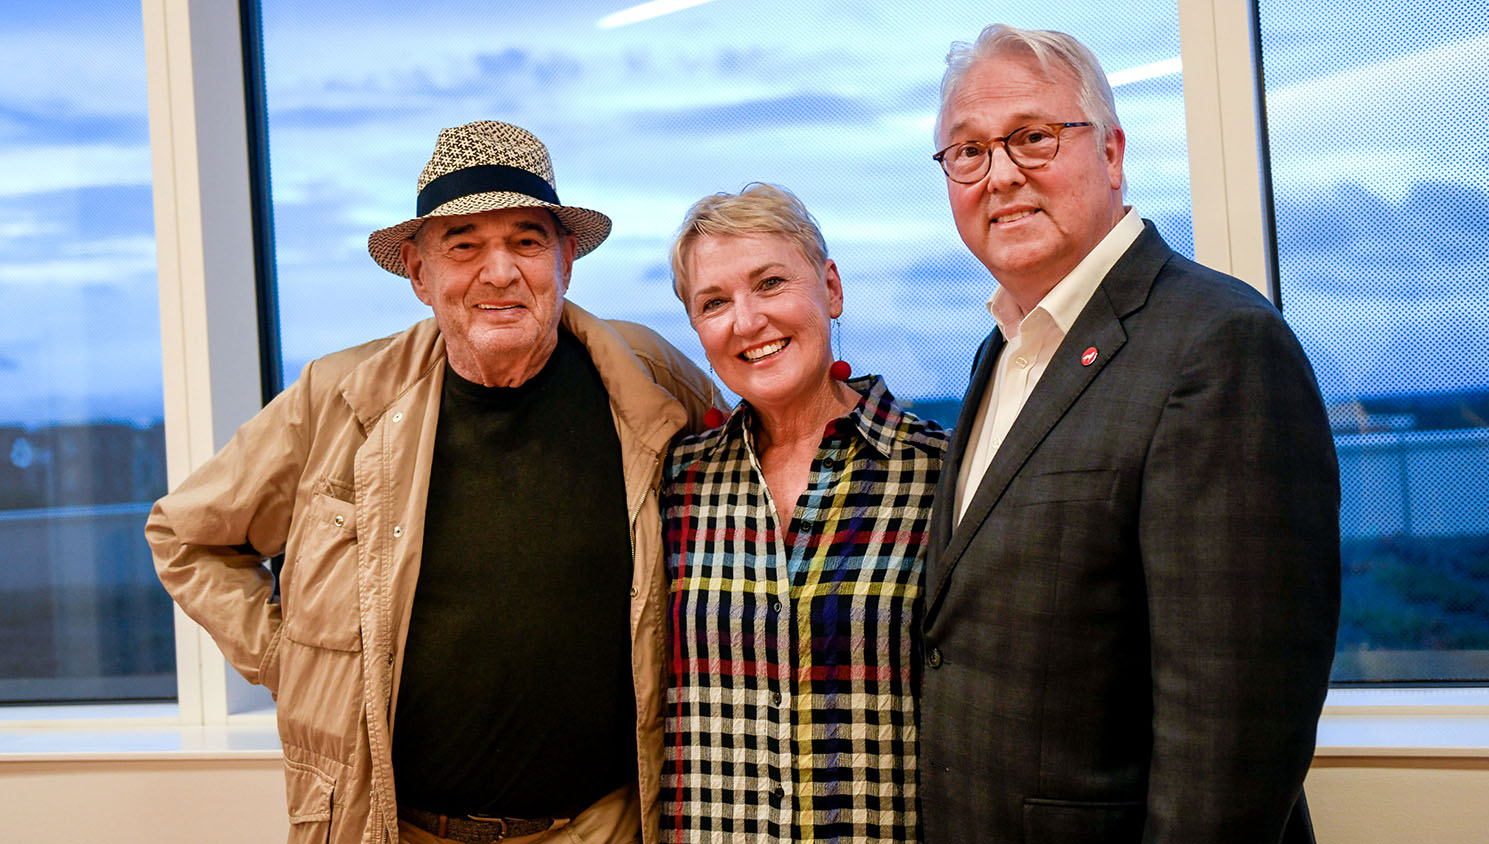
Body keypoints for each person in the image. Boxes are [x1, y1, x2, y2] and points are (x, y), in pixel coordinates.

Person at [146, 121, 720, 844]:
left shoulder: (646, 376)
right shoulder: (341, 397)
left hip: (602, 827)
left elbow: (750, 481)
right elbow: (185, 536)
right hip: (394, 828)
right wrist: (295, 661)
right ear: (420, 274)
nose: (500, 271)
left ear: (565, 260)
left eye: (526, 240)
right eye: (464, 244)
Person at [918, 24, 1341, 844]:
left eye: (1032, 138)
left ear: (1111, 154)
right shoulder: (1001, 353)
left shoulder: (1220, 346)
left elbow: (1234, 736)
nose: (999, 174)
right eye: (966, 153)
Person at [658, 183, 947, 843]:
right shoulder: (677, 482)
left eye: (770, 283)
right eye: (714, 303)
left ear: (832, 288)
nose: (747, 320)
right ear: (699, 331)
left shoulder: (939, 473)